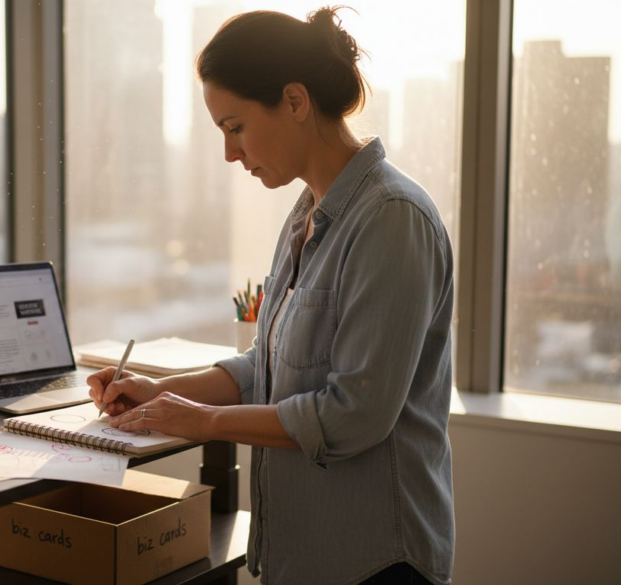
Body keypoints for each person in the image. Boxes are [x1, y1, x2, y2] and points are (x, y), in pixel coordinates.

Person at [87, 7, 455, 585]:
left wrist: (204, 422)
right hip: (304, 557)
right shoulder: (306, 217)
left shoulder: (392, 219)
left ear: (294, 101)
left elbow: (353, 414)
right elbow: (267, 365)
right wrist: (162, 392)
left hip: (376, 563)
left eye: (234, 127)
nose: (230, 154)